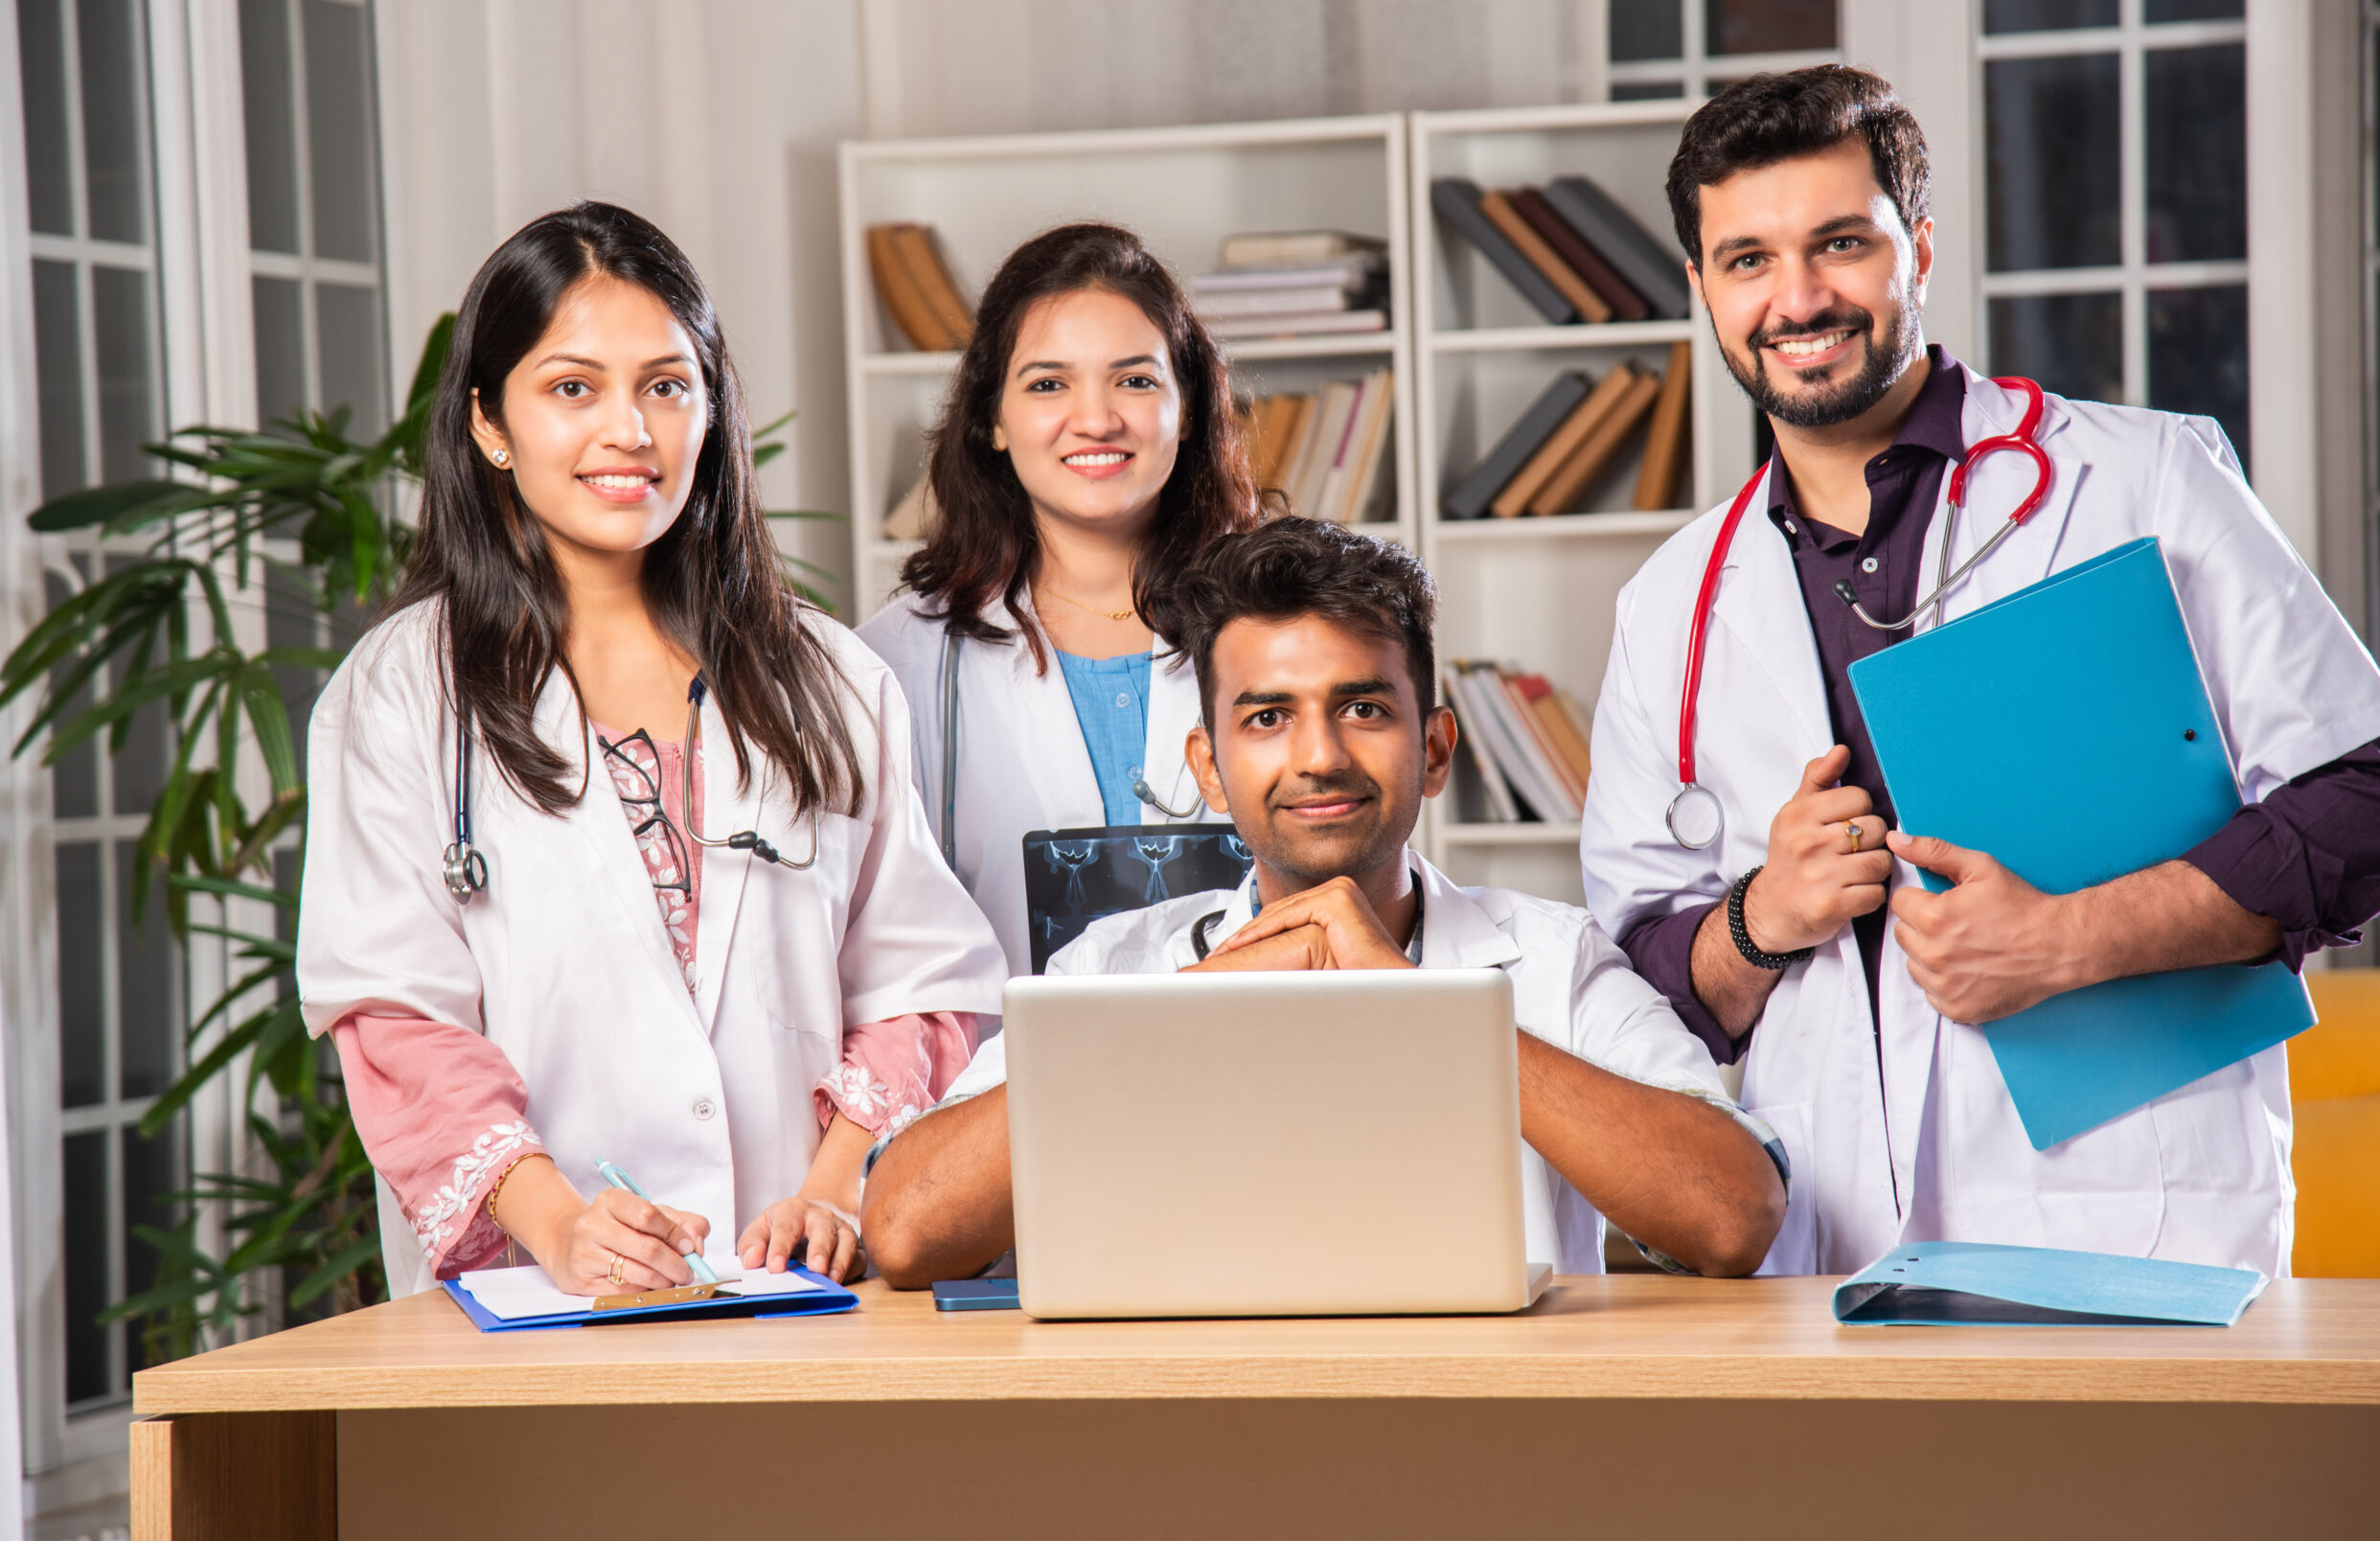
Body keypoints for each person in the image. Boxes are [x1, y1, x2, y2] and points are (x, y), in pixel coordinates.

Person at [1581, 66, 2380, 1278]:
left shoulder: (2139, 481)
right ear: (1700, 287)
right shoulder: (1670, 602)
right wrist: (1760, 916)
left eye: (1840, 242)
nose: (1798, 297)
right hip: (1824, 1248)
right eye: (1747, 260)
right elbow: (1639, 997)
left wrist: (2068, 939)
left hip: (2131, 1222)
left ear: (1918, 246)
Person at [298, 202, 1005, 1298]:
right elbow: (400, 1024)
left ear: (711, 407)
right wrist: (564, 1226)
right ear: (490, 422)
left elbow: (920, 983)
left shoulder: (826, 675)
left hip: (796, 1292)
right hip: (537, 1303)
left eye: (666, 385)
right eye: (572, 387)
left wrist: (834, 1187)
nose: (629, 430)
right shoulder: (402, 694)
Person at [861, 518, 1790, 1286]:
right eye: (1267, 717)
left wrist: (1424, 1009)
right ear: (1209, 769)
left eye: (1363, 708)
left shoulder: (1553, 959)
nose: (1318, 756)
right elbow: (904, 1231)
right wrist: (1178, 1012)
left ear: (1433, 750)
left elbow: (1732, 1214)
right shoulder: (1116, 969)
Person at [858, 223, 1264, 974]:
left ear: (1190, 406)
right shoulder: (892, 662)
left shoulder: (1280, 626)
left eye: (1135, 380)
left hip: (1251, 1065)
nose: (1097, 418)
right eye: (1048, 383)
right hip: (1005, 1078)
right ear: (994, 420)